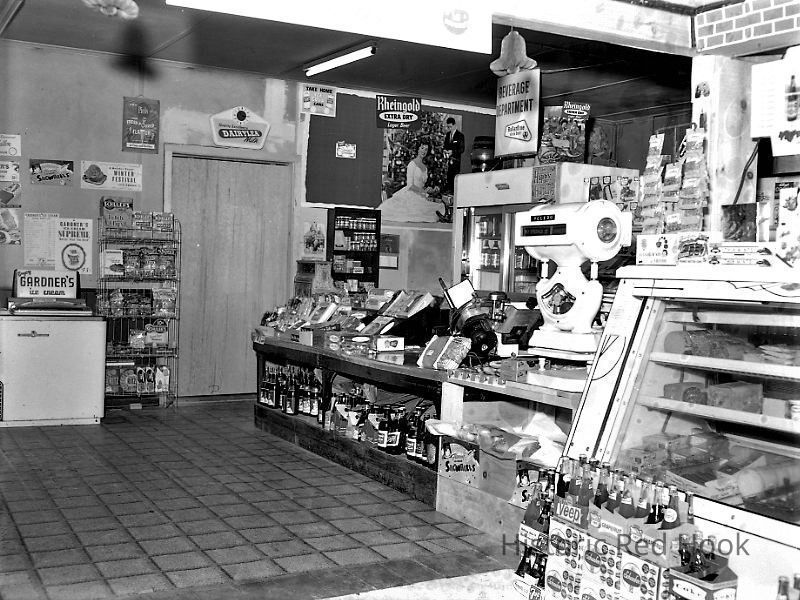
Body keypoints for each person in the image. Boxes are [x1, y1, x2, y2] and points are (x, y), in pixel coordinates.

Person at [379, 140, 440, 223]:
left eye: (426, 149)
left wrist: (430, 190)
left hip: (421, 195)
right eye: (422, 148)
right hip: (411, 193)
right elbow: (410, 185)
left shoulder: (425, 167)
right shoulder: (412, 164)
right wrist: (423, 191)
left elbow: (421, 184)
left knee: (434, 210)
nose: (424, 151)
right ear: (418, 149)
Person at [443, 117, 465, 195]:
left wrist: (453, 152)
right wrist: (445, 150)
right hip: (448, 160)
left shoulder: (460, 135)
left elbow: (462, 149)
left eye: (450, 127)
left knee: (454, 178)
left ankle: (454, 193)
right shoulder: (447, 135)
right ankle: (449, 192)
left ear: (455, 125)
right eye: (448, 127)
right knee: (448, 177)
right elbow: (445, 146)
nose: (449, 128)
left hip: (456, 161)